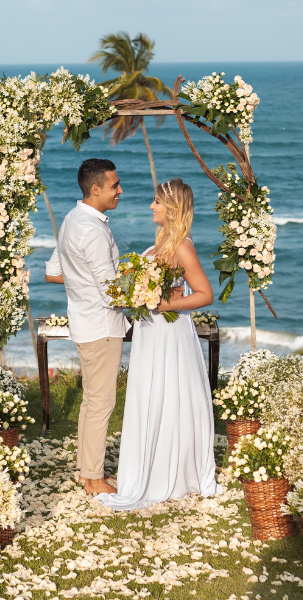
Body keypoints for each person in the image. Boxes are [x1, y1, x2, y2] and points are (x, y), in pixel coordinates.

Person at [95, 178, 222, 511]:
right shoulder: (161, 241)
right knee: (149, 394)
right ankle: (148, 465)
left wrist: (166, 305)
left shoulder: (181, 245)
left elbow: (205, 294)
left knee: (169, 393)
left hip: (168, 332)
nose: (151, 206)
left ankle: (174, 470)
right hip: (149, 331)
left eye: (156, 201)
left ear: (172, 208)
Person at [45, 158, 129, 495]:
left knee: (91, 400)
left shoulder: (71, 219)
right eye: (114, 185)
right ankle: (94, 479)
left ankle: (86, 472)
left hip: (85, 320)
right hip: (102, 325)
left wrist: (81, 282)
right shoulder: (92, 229)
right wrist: (147, 295)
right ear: (95, 189)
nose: (120, 190)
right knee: (102, 403)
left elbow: (53, 271)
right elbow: (111, 291)